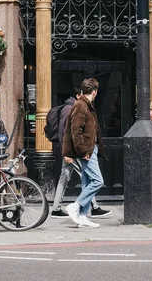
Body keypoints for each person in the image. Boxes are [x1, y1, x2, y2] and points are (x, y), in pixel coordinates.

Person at [51, 87, 111, 219]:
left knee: (67, 178)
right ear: (78, 95)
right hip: (74, 151)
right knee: (89, 178)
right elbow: (67, 133)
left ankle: (57, 208)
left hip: (70, 150)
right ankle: (90, 207)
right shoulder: (73, 109)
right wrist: (66, 153)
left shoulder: (72, 107)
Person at [62, 78, 104, 229]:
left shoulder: (85, 105)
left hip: (90, 149)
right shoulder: (81, 106)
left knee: (87, 182)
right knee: (98, 181)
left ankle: (82, 216)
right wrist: (83, 151)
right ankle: (76, 206)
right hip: (87, 150)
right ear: (94, 92)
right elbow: (75, 132)